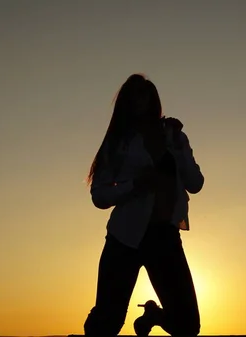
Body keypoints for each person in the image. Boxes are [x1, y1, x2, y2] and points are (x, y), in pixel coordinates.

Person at [83, 74, 204, 337]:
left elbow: (195, 183)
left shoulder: (172, 136)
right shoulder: (118, 143)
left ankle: (154, 314)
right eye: (135, 97)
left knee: (188, 326)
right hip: (124, 239)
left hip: (164, 237)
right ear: (125, 104)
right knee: (106, 323)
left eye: (146, 96)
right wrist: (134, 185)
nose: (141, 103)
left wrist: (180, 144)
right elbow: (99, 195)